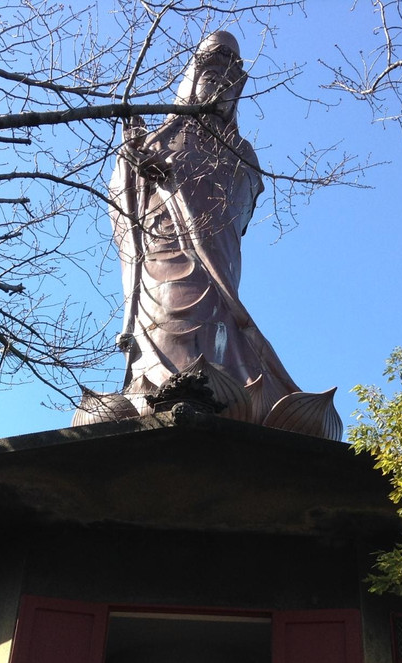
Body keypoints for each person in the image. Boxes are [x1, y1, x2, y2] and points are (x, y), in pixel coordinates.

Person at [109, 31, 301, 406]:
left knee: (217, 326)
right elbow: (123, 201)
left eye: (228, 83)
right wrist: (132, 161)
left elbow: (238, 208)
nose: (218, 89)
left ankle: (223, 389)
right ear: (192, 81)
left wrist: (174, 179)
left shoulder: (240, 151)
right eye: (210, 78)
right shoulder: (160, 138)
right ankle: (151, 387)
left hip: (215, 260)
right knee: (165, 320)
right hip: (162, 251)